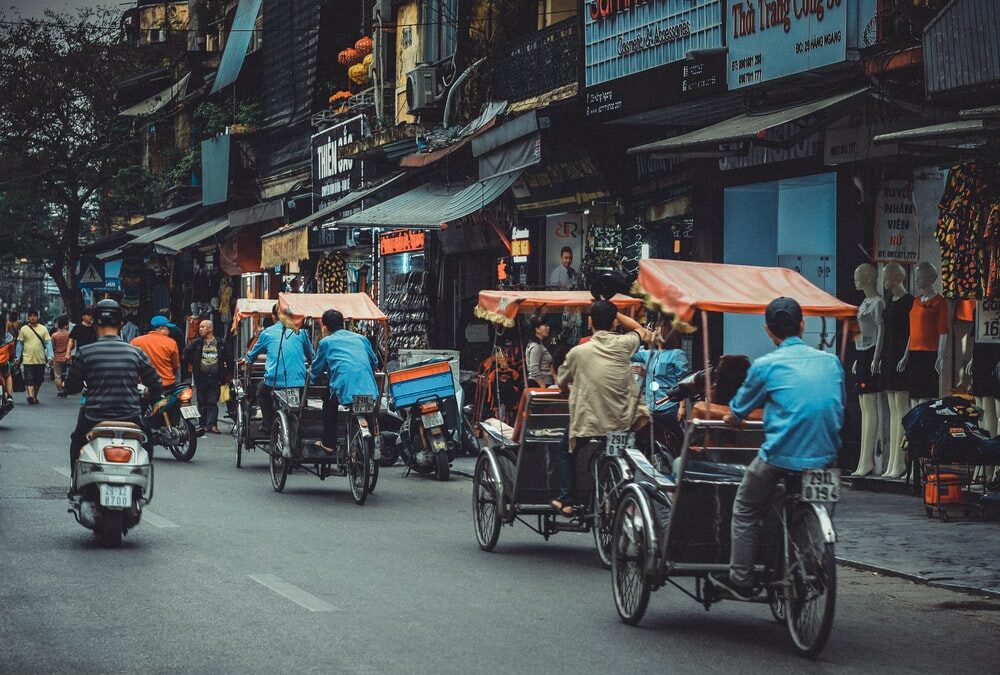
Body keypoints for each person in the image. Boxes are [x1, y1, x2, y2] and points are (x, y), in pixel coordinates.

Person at [711, 297, 845, 600]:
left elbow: (739, 409)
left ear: (768, 331)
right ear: (802, 324)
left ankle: (741, 578)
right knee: (814, 504)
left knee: (745, 506)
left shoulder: (766, 365)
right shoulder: (830, 361)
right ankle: (813, 561)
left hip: (780, 455)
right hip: (827, 457)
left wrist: (732, 419)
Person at [551, 300, 652, 515]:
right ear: (615, 323)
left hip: (591, 421)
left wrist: (566, 391)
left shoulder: (579, 352)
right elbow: (641, 331)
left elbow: (561, 381)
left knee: (565, 450)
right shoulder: (625, 344)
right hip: (623, 419)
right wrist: (616, 313)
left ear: (589, 322)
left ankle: (567, 500)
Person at [63, 299, 161, 486]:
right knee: (148, 442)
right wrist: (151, 393)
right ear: (121, 324)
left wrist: (66, 387)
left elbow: (72, 386)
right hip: (130, 417)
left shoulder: (85, 352)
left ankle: (75, 482)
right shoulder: (135, 352)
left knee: (77, 441)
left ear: (95, 324)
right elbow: (155, 383)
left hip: (94, 418)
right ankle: (140, 487)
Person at [309, 309, 379, 454]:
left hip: (343, 388)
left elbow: (316, 369)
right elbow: (374, 362)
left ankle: (329, 443)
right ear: (343, 323)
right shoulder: (361, 339)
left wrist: (313, 380)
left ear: (326, 327)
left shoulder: (326, 342)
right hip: (368, 388)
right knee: (367, 413)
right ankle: (372, 445)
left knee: (328, 402)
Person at [244, 304, 314, 432]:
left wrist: (247, 359)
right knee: (302, 401)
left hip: (274, 380)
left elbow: (251, 356)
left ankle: (268, 425)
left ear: (273, 317)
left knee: (261, 392)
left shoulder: (266, 333)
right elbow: (312, 356)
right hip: (298, 380)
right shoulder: (301, 332)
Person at [631, 325, 689, 445]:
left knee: (670, 439)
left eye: (657, 330)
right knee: (651, 440)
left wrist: (682, 406)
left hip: (668, 406)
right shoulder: (648, 354)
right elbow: (629, 353)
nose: (653, 332)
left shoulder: (677, 354)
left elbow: (683, 381)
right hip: (651, 405)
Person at [183, 319, 233, 434]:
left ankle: (212, 425)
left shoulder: (221, 343)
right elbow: (185, 354)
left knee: (212, 401)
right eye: (200, 327)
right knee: (202, 402)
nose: (200, 329)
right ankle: (203, 424)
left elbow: (229, 358)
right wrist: (194, 363)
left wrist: (228, 374)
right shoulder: (197, 343)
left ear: (210, 328)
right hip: (201, 377)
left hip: (215, 377)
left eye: (203, 327)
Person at [15, 309, 53, 404]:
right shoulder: (24, 329)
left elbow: (48, 343)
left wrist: (50, 356)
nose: (32, 317)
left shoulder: (43, 329)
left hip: (40, 359)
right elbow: (20, 344)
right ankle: (30, 396)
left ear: (37, 317)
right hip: (28, 359)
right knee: (29, 379)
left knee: (38, 380)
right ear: (28, 318)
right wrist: (17, 357)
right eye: (31, 316)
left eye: (34, 316)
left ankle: (34, 396)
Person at [131, 316, 181, 388]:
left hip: (145, 385)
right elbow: (176, 366)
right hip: (167, 384)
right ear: (161, 328)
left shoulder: (136, 341)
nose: (169, 332)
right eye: (168, 328)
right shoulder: (171, 342)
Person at [525, 316, 555, 387]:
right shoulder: (536, 346)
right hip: (539, 384)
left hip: (541, 382)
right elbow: (534, 369)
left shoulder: (538, 344)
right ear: (537, 329)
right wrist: (542, 385)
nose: (548, 328)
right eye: (545, 326)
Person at [51, 317, 72, 398]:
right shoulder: (69, 335)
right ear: (66, 325)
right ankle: (64, 389)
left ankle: (60, 390)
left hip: (57, 357)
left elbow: (52, 346)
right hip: (67, 357)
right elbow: (72, 345)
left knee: (58, 375)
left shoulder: (54, 335)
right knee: (66, 375)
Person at [0, 328, 15, 411]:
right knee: (8, 375)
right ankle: (9, 396)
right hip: (3, 363)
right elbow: (12, 349)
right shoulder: (7, 336)